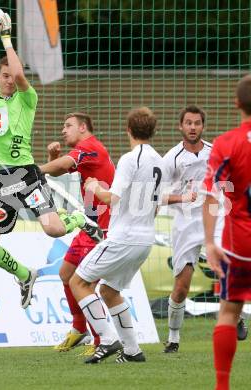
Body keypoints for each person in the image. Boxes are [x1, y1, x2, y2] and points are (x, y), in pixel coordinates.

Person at [0, 12, 102, 309]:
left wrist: (7, 38)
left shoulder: (27, 97)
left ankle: (80, 219)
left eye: (13, 75)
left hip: (26, 175)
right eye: (5, 75)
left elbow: (22, 76)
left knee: (54, 230)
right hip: (1, 182)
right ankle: (24, 275)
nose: (10, 80)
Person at [69, 107, 163, 364]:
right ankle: (133, 351)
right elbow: (156, 206)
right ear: (153, 131)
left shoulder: (130, 160)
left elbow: (112, 198)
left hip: (123, 237)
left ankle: (108, 339)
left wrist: (94, 186)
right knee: (110, 291)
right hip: (145, 240)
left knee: (78, 281)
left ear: (129, 130)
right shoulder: (160, 161)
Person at [39, 113, 115, 353]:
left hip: (103, 230)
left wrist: (34, 170)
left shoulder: (90, 147)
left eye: (68, 126)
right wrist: (52, 157)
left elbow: (61, 166)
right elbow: (61, 168)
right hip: (89, 226)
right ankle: (79, 329)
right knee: (66, 273)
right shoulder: (86, 151)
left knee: (84, 284)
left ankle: (101, 340)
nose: (63, 130)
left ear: (83, 128)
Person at [161, 105, 224, 353]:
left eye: (197, 123)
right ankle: (173, 338)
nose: (193, 127)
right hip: (185, 224)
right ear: (181, 126)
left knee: (226, 268)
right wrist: (182, 198)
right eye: (188, 123)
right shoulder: (171, 159)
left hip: (214, 218)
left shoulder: (214, 152)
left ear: (203, 127)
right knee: (181, 287)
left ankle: (237, 317)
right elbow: (156, 196)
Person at [202, 74, 251, 390]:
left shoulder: (226, 143)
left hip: (240, 243)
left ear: (236, 103)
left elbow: (212, 195)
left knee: (229, 311)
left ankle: (223, 386)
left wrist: (209, 241)